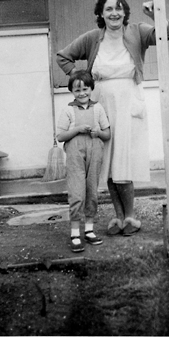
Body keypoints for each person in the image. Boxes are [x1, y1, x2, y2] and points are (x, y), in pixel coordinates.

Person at [57, 0, 169, 237]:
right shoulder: (92, 38)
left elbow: (168, 34)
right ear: (101, 13)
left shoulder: (137, 31)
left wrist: (156, 14)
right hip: (101, 102)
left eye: (119, 8)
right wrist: (82, 80)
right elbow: (63, 57)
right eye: (109, 9)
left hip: (129, 101)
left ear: (125, 12)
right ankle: (118, 216)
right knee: (107, 161)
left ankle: (130, 216)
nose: (114, 13)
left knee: (124, 160)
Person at [56, 70, 111, 253]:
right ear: (72, 91)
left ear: (91, 89)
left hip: (95, 152)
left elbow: (107, 133)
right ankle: (74, 234)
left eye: (85, 89)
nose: (82, 94)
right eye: (77, 90)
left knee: (92, 192)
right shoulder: (68, 110)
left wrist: (98, 133)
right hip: (75, 155)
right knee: (77, 193)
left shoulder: (98, 108)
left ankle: (89, 230)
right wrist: (78, 129)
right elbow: (60, 136)